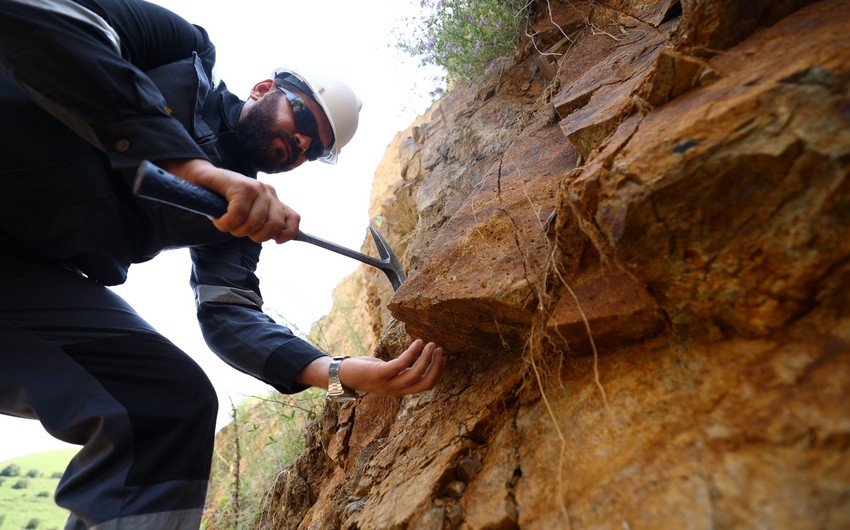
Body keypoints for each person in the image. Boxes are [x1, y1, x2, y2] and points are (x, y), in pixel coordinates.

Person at [0, 1, 445, 528]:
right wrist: (188, 165)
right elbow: (46, 16)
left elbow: (230, 317)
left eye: (312, 148)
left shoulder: (238, 221)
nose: (299, 142)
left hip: (16, 276)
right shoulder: (180, 46)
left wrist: (339, 375)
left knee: (169, 402)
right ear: (263, 90)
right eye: (302, 117)